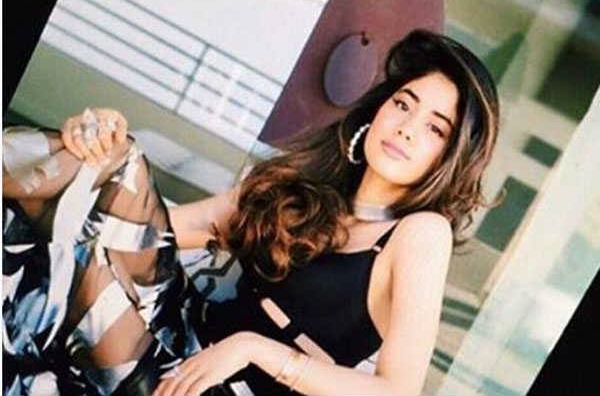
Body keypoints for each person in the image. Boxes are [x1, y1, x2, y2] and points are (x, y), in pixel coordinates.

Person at [3, 29, 500, 396]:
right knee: (114, 161)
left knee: (69, 263)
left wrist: (253, 348)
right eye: (403, 104)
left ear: (450, 158)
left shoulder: (420, 233)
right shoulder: (304, 187)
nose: (408, 127)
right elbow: (161, 233)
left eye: (436, 128)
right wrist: (96, 157)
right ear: (377, 111)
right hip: (176, 330)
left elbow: (397, 390)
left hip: (221, 389)